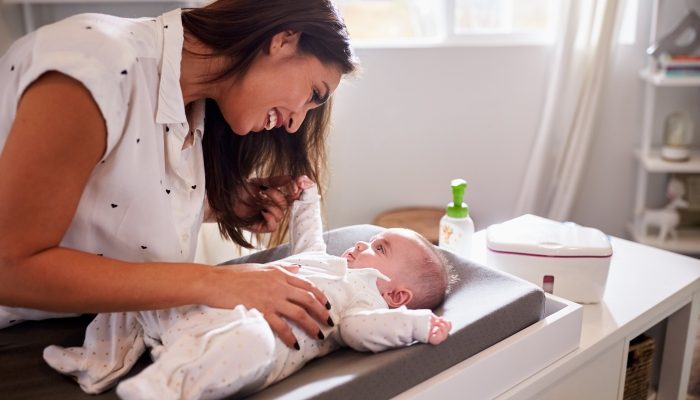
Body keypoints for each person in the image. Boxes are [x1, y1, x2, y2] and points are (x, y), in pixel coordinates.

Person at [0, 0, 358, 349]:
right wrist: (215, 281)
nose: (296, 124)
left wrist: (217, 206)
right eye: (313, 93)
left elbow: (102, 207)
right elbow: (10, 268)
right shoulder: (98, 68)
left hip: (93, 332)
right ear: (284, 39)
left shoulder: (195, 110)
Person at [44, 176, 457, 399]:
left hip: (240, 339)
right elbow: (310, 239)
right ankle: (98, 362)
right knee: (144, 286)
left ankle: (165, 386)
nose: (363, 243)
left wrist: (416, 325)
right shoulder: (326, 261)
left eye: (379, 248)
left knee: (252, 340)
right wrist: (306, 198)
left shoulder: (363, 304)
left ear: (397, 295)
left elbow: (358, 332)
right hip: (199, 315)